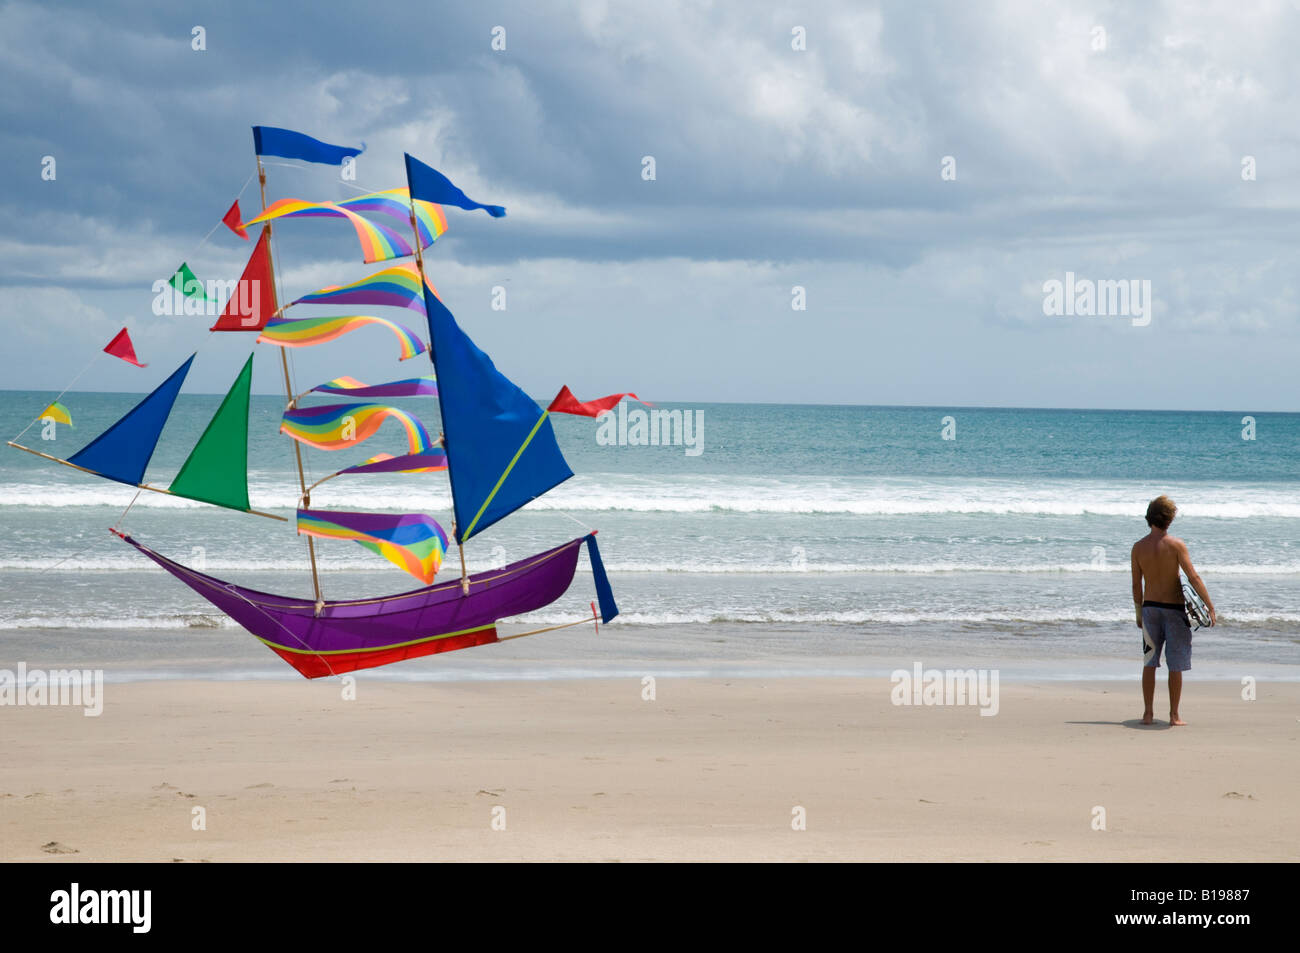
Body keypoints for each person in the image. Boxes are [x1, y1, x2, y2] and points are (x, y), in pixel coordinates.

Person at [1130, 495, 1215, 726]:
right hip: (1175, 610)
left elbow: (1137, 585)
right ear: (1169, 520)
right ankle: (1174, 715)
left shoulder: (1138, 548)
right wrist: (1209, 606)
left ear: (1149, 517)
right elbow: (1193, 577)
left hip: (1150, 609)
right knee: (1175, 664)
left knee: (1149, 662)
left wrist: (1139, 613)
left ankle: (1147, 714)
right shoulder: (1176, 545)